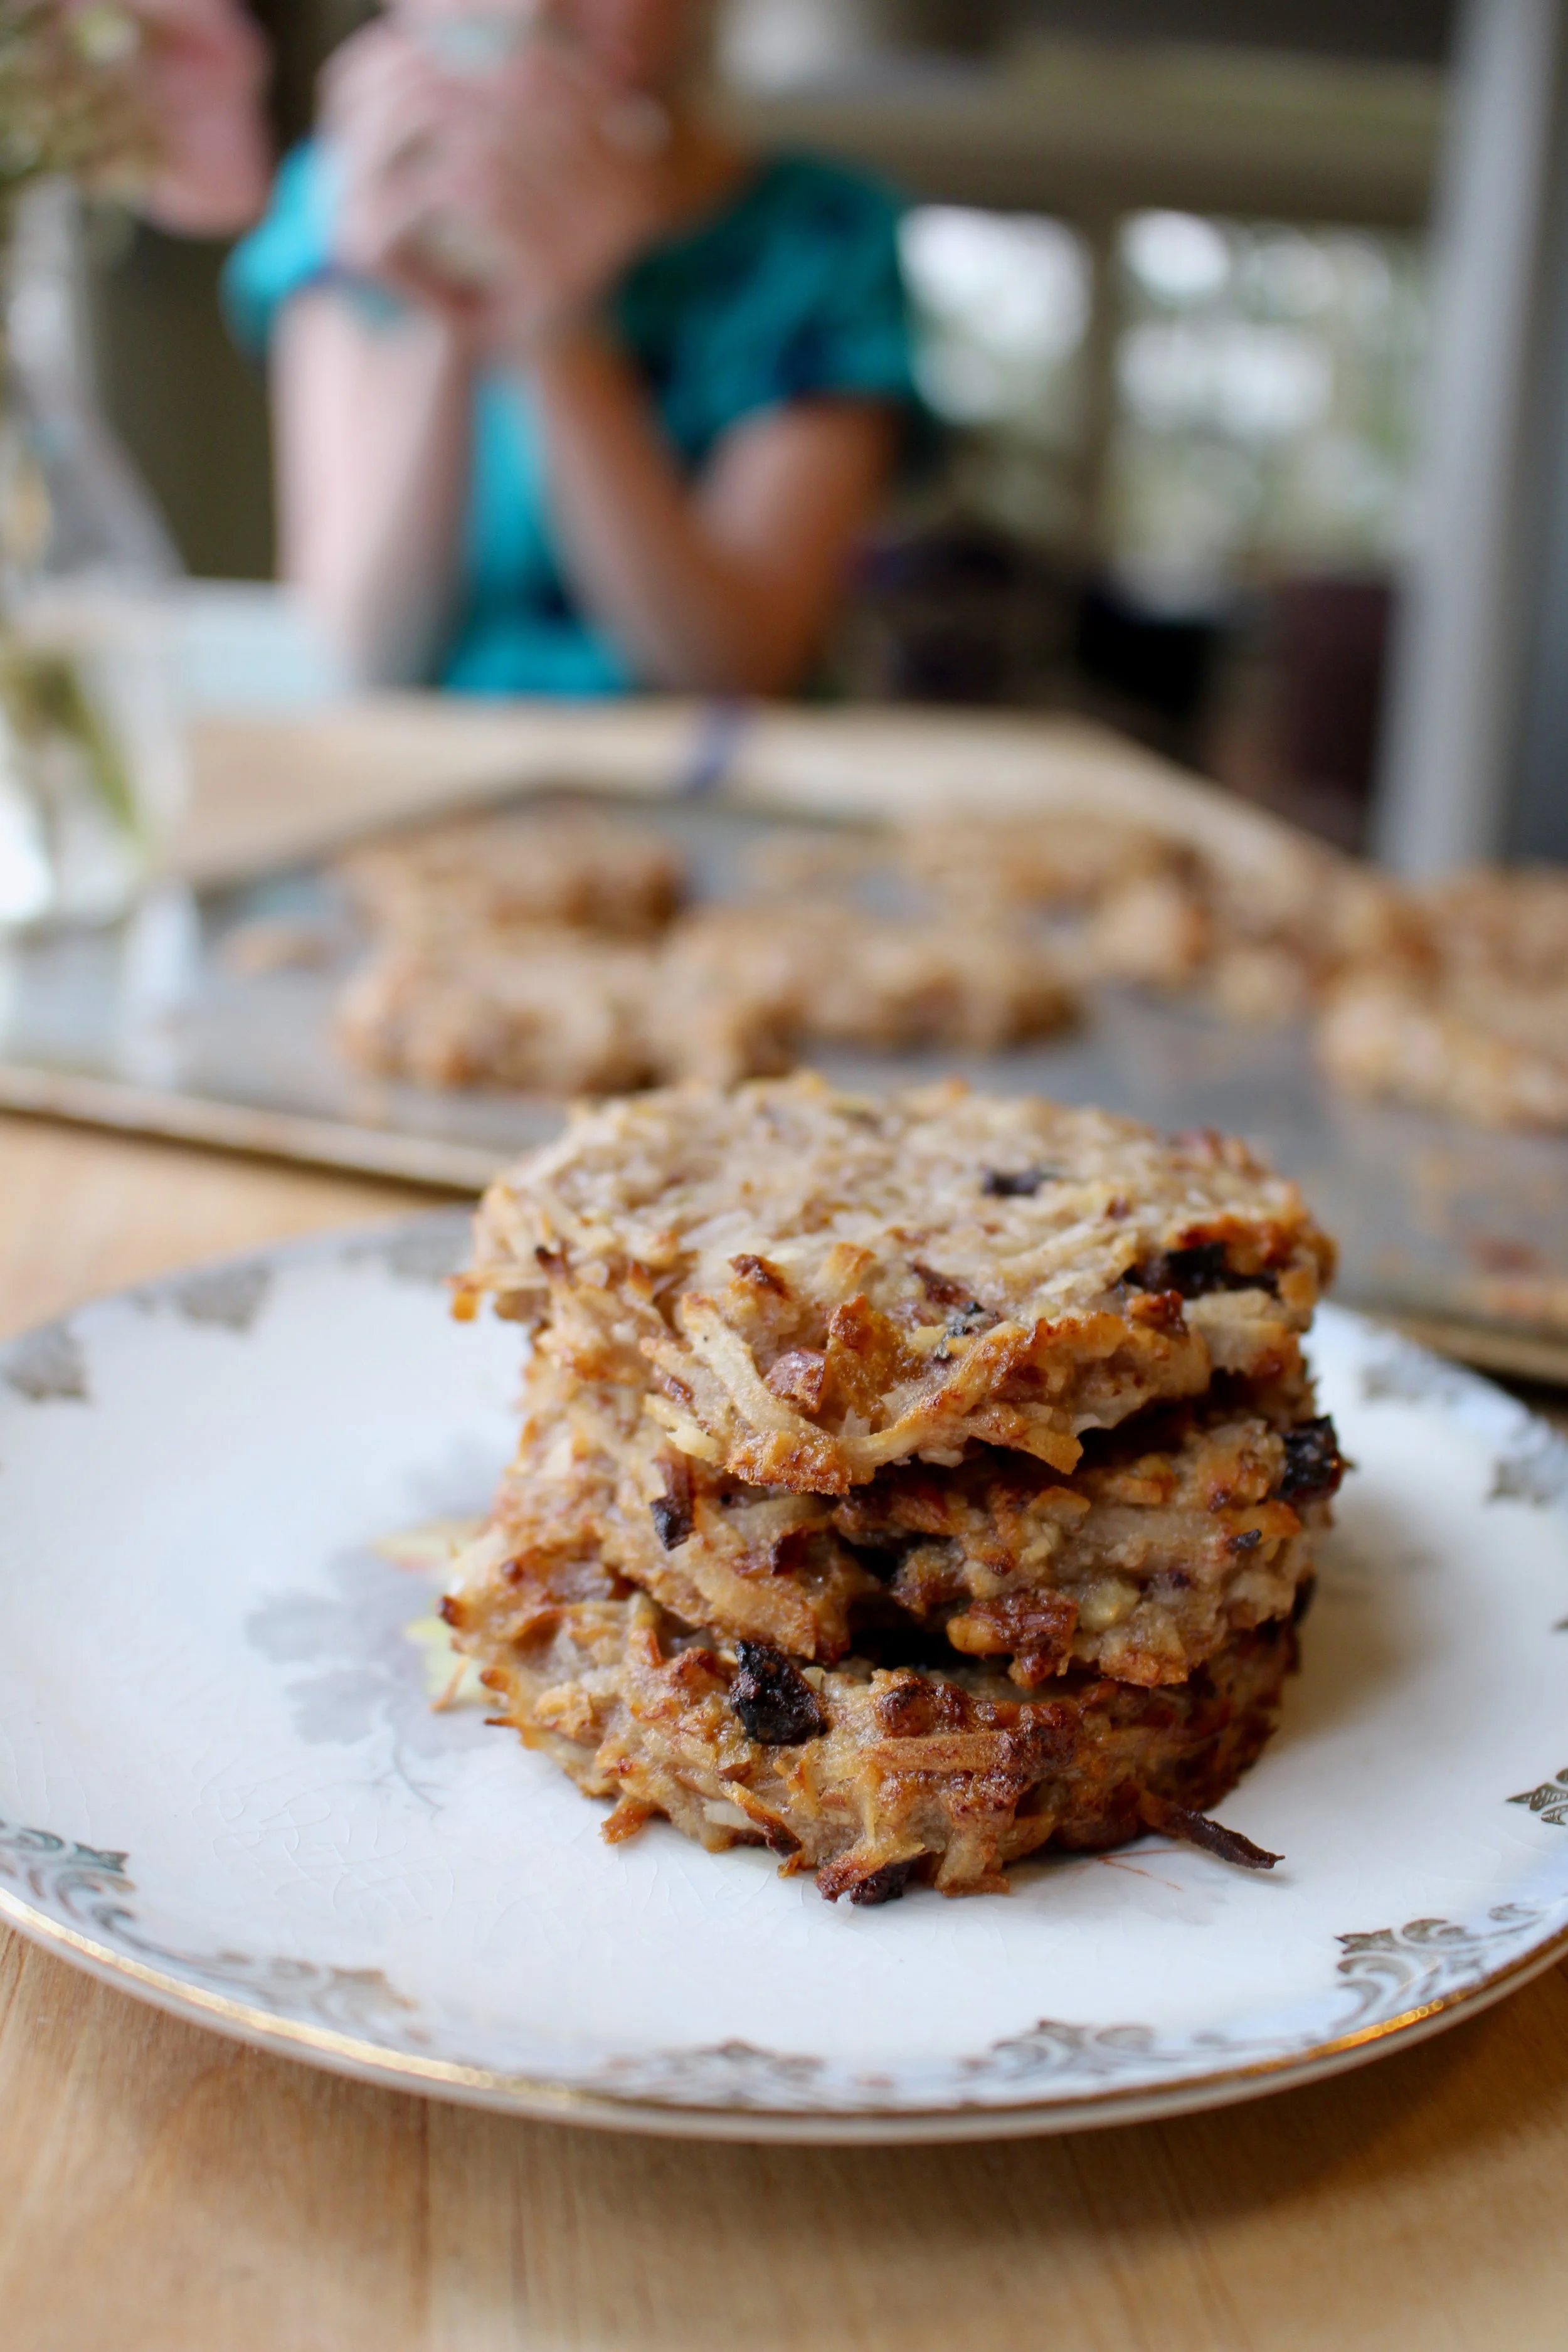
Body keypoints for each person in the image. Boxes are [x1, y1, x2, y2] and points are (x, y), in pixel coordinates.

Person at [225, 0, 922, 696]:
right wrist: (443, 301)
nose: (539, 8)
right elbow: (364, 653)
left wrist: (558, 331)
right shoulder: (340, 213)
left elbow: (730, 670)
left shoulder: (817, 239)